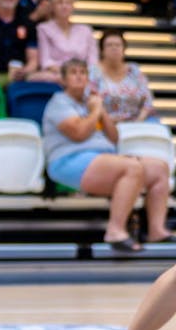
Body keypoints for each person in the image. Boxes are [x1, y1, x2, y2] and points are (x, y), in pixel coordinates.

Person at [43, 58, 172, 251]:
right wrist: (95, 111)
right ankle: (115, 231)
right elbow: (78, 134)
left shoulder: (92, 102)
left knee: (159, 168)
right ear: (63, 79)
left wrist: (101, 110)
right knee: (132, 167)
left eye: (83, 72)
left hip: (103, 159)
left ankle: (156, 230)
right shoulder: (59, 102)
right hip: (69, 161)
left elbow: (114, 137)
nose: (79, 76)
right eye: (73, 73)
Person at [89, 31, 157, 123]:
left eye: (118, 45)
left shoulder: (134, 70)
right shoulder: (93, 72)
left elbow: (148, 100)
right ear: (102, 50)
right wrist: (109, 122)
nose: (114, 48)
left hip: (139, 121)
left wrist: (138, 121)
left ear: (124, 49)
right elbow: (89, 101)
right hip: (104, 124)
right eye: (109, 45)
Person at [32, 0, 98, 83]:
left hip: (83, 77)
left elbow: (93, 61)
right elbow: (45, 61)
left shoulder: (86, 30)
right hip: (56, 77)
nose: (64, 6)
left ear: (73, 6)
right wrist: (68, 74)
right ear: (53, 6)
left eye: (68, 3)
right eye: (60, 2)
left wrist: (80, 75)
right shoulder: (43, 29)